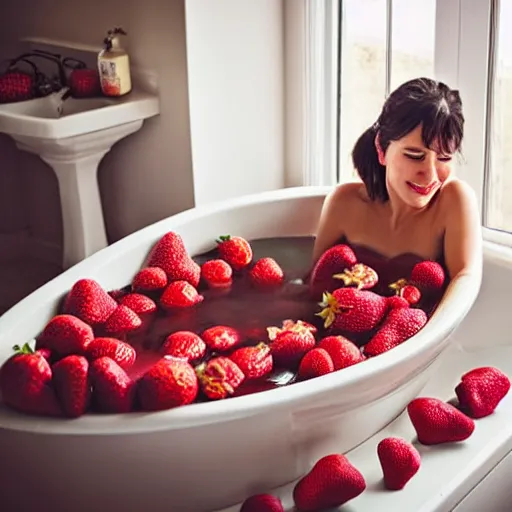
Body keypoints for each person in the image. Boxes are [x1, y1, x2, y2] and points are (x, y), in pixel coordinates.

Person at [312, 77, 482, 289]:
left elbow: (466, 281)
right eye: (414, 155)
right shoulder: (343, 203)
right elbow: (313, 287)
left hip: (432, 323)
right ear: (382, 149)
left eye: (444, 158)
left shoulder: (454, 202)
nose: (430, 175)